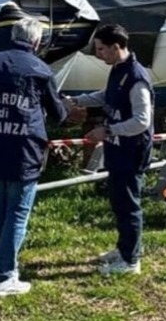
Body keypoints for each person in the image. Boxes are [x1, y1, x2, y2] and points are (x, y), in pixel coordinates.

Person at [0, 15, 68, 296]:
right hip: (24, 152)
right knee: (18, 213)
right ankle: (2, 276)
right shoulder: (41, 70)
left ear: (13, 36)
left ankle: (2, 268)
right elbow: (59, 114)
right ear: (37, 41)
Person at [64, 23, 154, 275]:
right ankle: (124, 248)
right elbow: (107, 96)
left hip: (131, 150)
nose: (98, 54)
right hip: (117, 150)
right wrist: (77, 100)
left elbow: (141, 121)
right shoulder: (118, 70)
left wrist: (108, 131)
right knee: (118, 202)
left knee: (129, 205)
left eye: (101, 49)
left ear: (117, 47)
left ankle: (131, 261)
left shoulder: (136, 78)